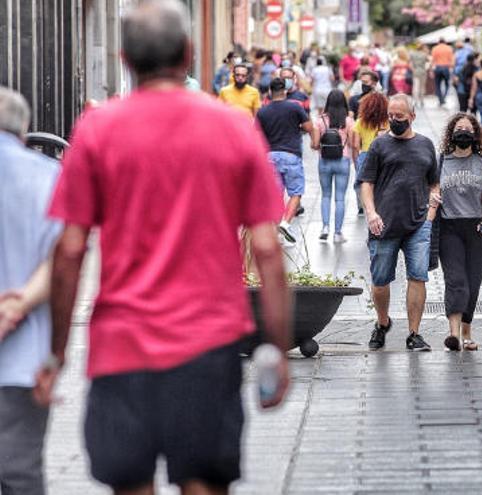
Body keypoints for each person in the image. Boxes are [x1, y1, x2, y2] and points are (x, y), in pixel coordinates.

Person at [43, 2, 291, 494]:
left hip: (122, 346)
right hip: (209, 343)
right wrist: (276, 348)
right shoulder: (234, 127)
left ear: (125, 59)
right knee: (203, 482)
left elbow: (70, 250)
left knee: (131, 483)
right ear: (189, 52)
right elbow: (266, 246)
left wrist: (55, 354)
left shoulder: (97, 129)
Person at [0, 86, 62, 495]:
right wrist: (16, 307)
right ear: (24, 131)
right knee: (20, 474)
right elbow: (63, 260)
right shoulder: (48, 174)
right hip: (21, 362)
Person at [360, 94, 439, 352]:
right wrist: (371, 213)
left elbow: (434, 182)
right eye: (391, 116)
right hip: (384, 225)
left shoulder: (426, 145)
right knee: (381, 280)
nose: (394, 120)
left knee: (418, 277)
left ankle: (414, 333)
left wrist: (430, 213)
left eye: (399, 117)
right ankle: (382, 323)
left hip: (418, 224)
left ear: (412, 117)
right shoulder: (379, 146)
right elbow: (367, 183)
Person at [437, 113, 482, 352]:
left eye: (467, 128)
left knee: (473, 281)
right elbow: (431, 189)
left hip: (477, 227)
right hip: (449, 226)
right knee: (455, 280)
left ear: (475, 134)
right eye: (458, 127)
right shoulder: (441, 161)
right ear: (451, 132)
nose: (463, 131)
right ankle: (453, 334)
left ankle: (467, 330)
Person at [257, 78, 317, 238]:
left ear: (270, 92)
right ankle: (285, 223)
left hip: (270, 156)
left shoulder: (263, 111)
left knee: (275, 195)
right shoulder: (294, 107)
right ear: (285, 91)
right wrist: (314, 142)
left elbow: (255, 135)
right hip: (291, 155)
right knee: (296, 193)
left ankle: (276, 228)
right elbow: (309, 127)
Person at [314, 89, 355, 243]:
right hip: (343, 160)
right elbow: (352, 143)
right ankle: (338, 233)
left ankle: (325, 227)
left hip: (324, 161)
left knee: (325, 195)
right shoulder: (348, 121)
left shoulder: (320, 120)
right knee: (340, 198)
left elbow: (316, 144)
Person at [352, 92, 389, 216]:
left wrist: (356, 161)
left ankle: (368, 209)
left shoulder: (360, 122)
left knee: (365, 185)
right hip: (383, 155)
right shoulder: (387, 122)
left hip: (365, 155)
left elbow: (356, 145)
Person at [431, 38, 454, 106]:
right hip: (446, 67)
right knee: (447, 84)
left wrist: (431, 70)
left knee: (437, 85)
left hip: (437, 67)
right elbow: (451, 60)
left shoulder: (435, 48)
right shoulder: (449, 48)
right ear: (445, 42)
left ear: (438, 42)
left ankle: (440, 99)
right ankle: (444, 97)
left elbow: (433, 60)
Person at [410, 42, 429, 108]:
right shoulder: (424, 54)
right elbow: (429, 61)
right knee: (422, 87)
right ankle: (421, 101)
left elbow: (411, 64)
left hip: (415, 72)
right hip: (423, 72)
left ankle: (415, 101)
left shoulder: (412, 54)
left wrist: (413, 70)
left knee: (415, 87)